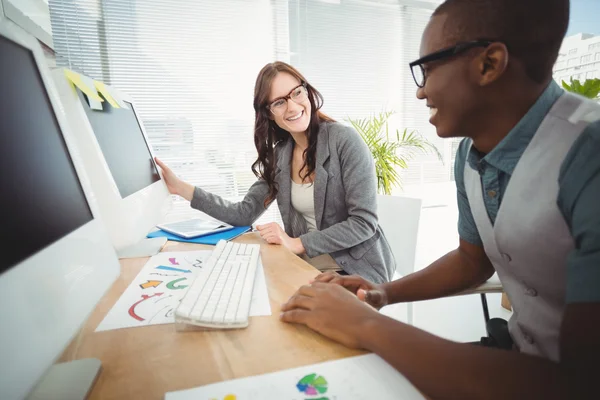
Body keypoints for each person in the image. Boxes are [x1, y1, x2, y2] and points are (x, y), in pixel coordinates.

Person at [280, 0, 599, 398]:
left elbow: (581, 383)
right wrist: (384, 293)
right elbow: (472, 260)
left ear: (489, 63)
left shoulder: (589, 156)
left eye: (427, 69)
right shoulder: (469, 155)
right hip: (513, 353)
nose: (419, 90)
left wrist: (365, 325)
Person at [155, 61, 395, 283]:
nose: (292, 106)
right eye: (279, 102)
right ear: (269, 113)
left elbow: (363, 223)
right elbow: (244, 213)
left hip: (356, 270)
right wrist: (182, 189)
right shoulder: (280, 155)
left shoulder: (344, 140)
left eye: (296, 93)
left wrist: (297, 243)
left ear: (307, 92)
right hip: (309, 266)